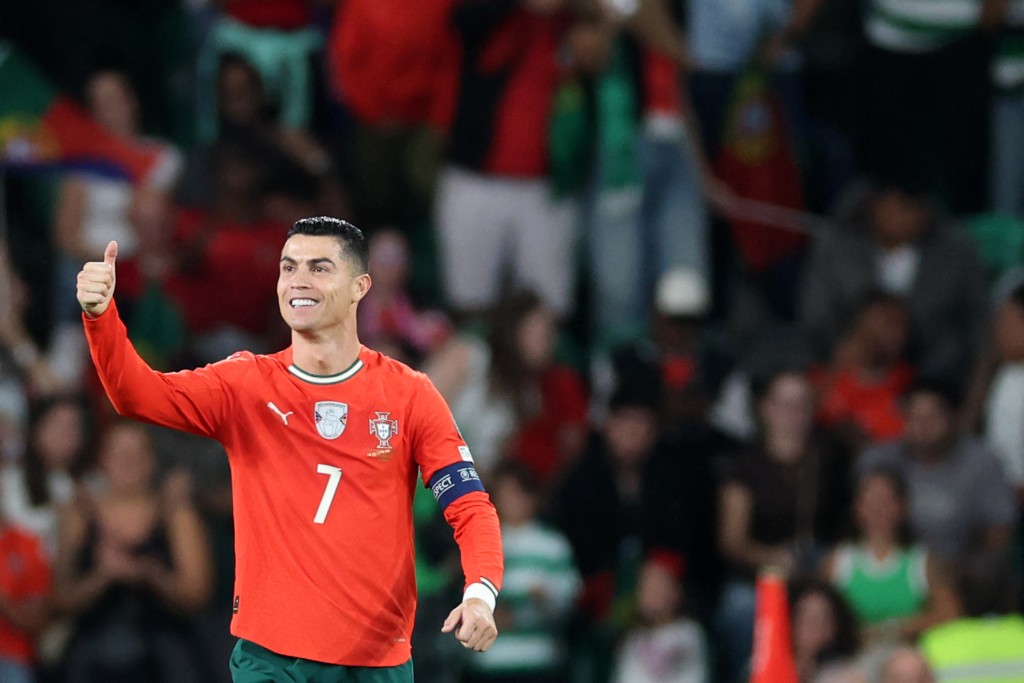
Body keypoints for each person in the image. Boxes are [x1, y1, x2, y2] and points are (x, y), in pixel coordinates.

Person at [75, 217, 502, 680]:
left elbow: (470, 506)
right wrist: (101, 318)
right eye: (288, 267)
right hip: (272, 660)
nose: (298, 280)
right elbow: (136, 395)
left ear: (360, 286)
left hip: (377, 662)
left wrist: (480, 594)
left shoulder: (409, 395)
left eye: (319, 268)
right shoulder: (245, 385)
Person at [53, 420, 213, 683]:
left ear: (151, 461)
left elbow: (197, 596)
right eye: (118, 453)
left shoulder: (175, 513)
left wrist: (150, 573)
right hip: (94, 655)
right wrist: (103, 575)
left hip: (164, 654)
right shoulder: (80, 514)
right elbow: (60, 599)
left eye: (136, 453)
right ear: (102, 460)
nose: (127, 462)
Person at [856, 380, 1017, 569]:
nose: (922, 428)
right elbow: (858, 520)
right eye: (914, 418)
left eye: (932, 418)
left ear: (954, 417)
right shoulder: (878, 459)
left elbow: (999, 533)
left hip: (960, 569)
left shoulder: (982, 462)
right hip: (889, 566)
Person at [822, 468, 959, 649]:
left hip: (908, 657)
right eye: (870, 501)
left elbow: (949, 613)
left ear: (902, 507)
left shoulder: (922, 561)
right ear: (857, 508)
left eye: (886, 501)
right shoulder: (837, 561)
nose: (878, 509)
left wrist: (895, 629)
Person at [611, 552, 709, 683]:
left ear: (676, 591)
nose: (649, 594)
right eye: (645, 586)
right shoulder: (633, 637)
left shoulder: (688, 633)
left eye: (658, 587)